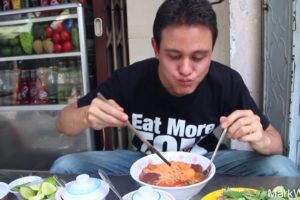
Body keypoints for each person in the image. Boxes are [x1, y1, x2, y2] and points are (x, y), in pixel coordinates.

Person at [50, 0, 300, 176]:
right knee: (64, 166)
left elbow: (275, 142)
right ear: (156, 48)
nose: (186, 69)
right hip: (143, 163)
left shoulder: (227, 81)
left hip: (209, 164)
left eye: (199, 56)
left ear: (211, 51)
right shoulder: (131, 78)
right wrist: (86, 115)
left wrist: (260, 139)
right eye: (173, 55)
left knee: (282, 168)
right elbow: (63, 123)